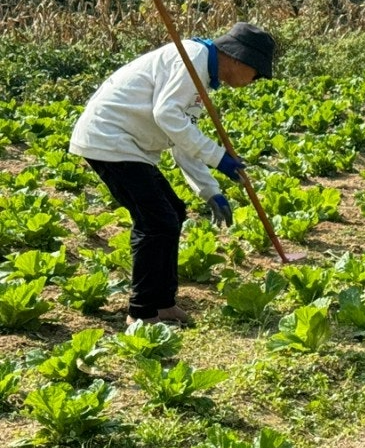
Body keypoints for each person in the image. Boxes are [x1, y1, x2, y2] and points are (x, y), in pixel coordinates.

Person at [70, 22, 275, 326]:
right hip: (110, 138)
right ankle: (141, 311)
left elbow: (182, 138)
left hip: (128, 145)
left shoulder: (202, 74)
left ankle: (163, 303)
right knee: (156, 222)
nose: (255, 80)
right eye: (256, 73)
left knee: (173, 213)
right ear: (238, 58)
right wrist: (218, 157)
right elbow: (166, 114)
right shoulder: (192, 59)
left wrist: (210, 190)